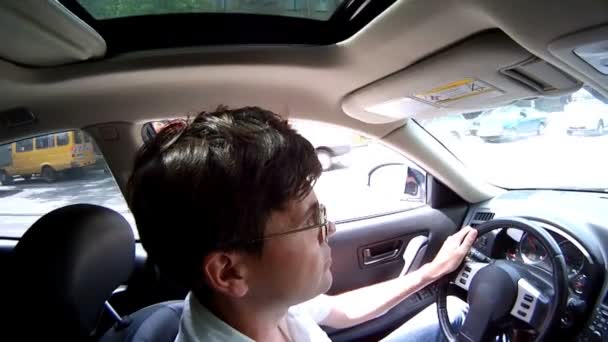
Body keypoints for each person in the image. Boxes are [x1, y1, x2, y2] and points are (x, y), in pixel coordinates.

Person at [127, 106, 478, 342]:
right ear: (229, 273)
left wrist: (432, 272)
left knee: (458, 311)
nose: (330, 230)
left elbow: (340, 310)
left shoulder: (261, 302)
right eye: (312, 220)